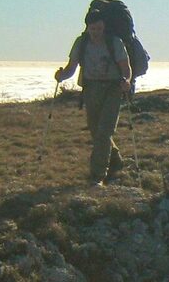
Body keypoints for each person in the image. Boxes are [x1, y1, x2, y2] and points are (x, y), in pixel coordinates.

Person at [54, 10, 133, 185]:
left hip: (113, 89)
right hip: (91, 89)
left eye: (99, 28)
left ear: (103, 27)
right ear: (87, 27)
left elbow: (125, 67)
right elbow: (71, 67)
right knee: (95, 131)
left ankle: (97, 175)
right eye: (93, 28)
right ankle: (116, 160)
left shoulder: (115, 42)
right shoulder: (81, 43)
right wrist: (62, 76)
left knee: (104, 132)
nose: (96, 32)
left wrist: (126, 81)